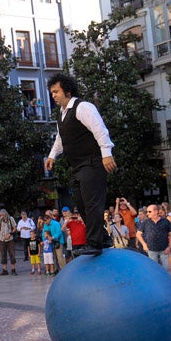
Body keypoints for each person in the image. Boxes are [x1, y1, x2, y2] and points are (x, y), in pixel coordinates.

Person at [43, 73, 116, 257]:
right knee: (79, 201)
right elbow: (61, 138)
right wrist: (52, 155)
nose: (53, 95)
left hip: (92, 162)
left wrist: (106, 153)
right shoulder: (62, 113)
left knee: (92, 203)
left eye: (56, 91)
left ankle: (94, 243)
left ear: (67, 91)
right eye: (51, 92)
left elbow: (100, 129)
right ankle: (104, 237)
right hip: (77, 166)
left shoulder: (83, 107)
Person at [136, 203, 171, 269]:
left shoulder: (165, 221)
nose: (147, 213)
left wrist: (169, 246)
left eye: (149, 211)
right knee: (154, 269)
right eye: (147, 212)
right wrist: (144, 244)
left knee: (167, 268)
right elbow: (138, 234)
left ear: (156, 211)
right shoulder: (146, 222)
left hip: (164, 250)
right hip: (151, 250)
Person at [0, 208, 18, 275]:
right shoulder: (0, 219)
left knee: (12, 254)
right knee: (3, 254)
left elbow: (15, 228)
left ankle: (13, 270)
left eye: (2, 215)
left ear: (5, 213)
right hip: (1, 239)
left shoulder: (11, 219)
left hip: (10, 239)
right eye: (0, 215)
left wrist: (10, 234)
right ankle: (4, 270)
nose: (1, 216)